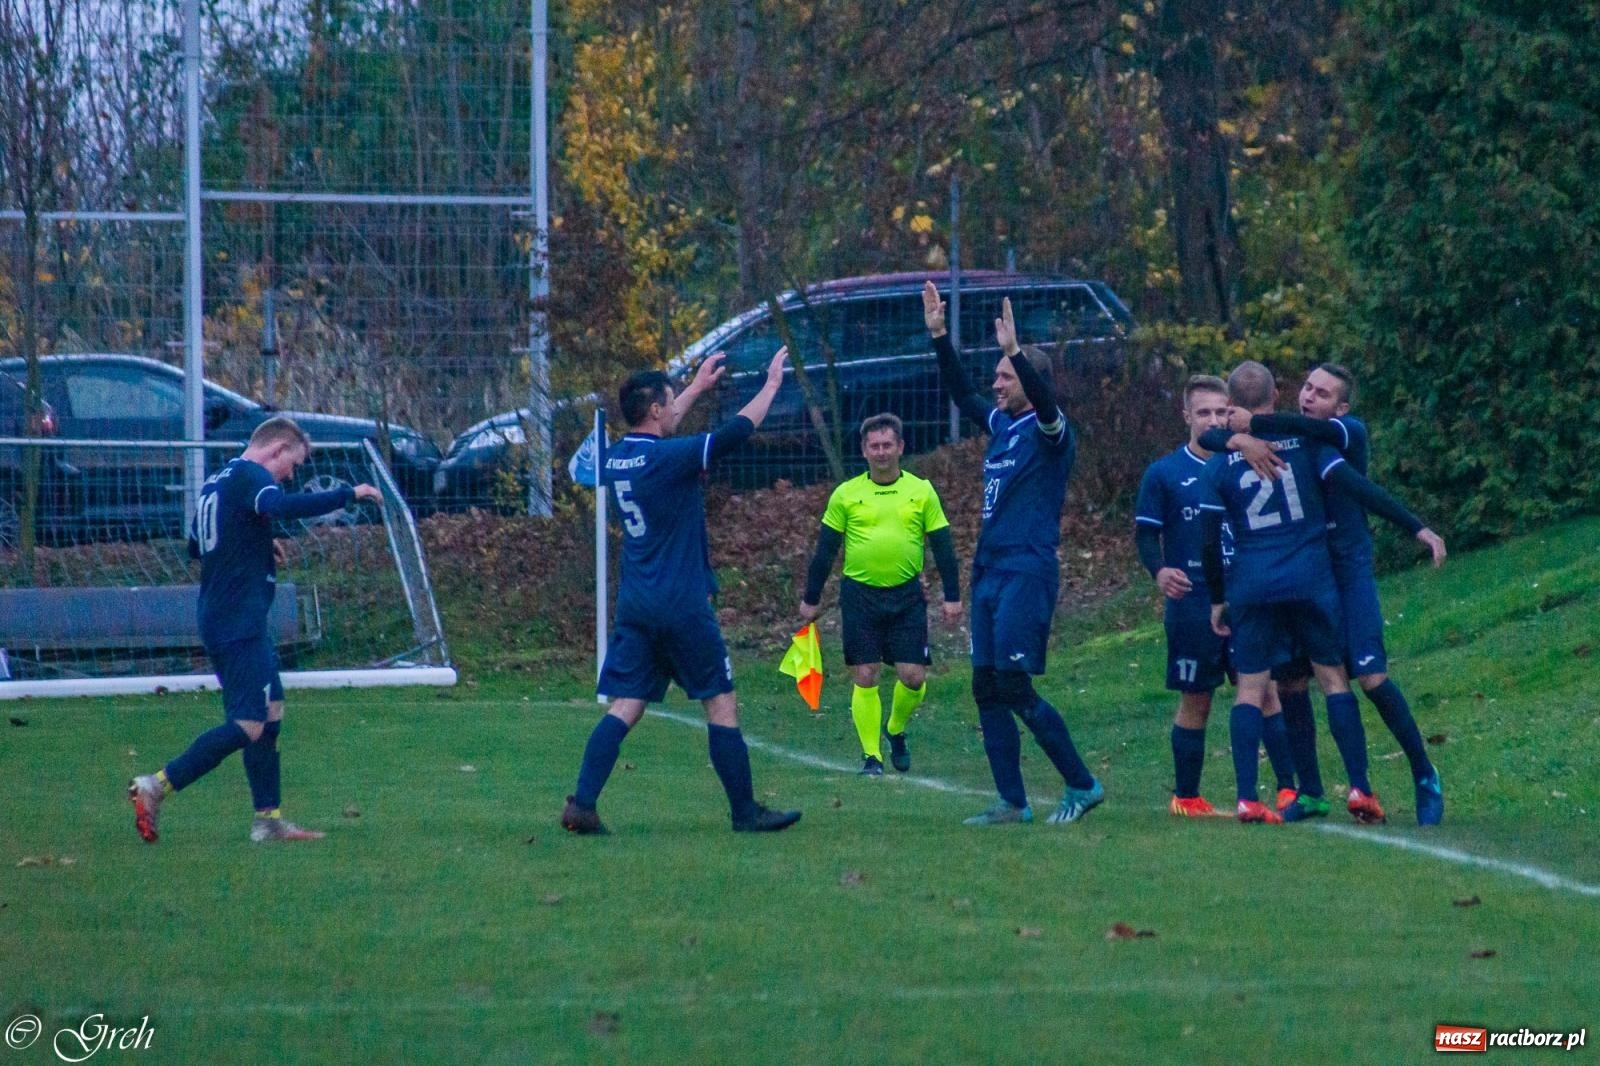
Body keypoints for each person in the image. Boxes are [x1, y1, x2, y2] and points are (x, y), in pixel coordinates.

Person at [560, 348, 802, 835]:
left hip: (637, 604)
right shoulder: (670, 459)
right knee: (721, 701)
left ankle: (582, 803)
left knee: (625, 706)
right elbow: (734, 434)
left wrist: (695, 388)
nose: (674, 410)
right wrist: (772, 386)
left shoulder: (619, 458)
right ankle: (744, 813)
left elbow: (662, 427)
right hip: (681, 604)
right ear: (655, 410)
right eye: (669, 403)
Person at [1199, 361, 1439, 824]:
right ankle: (1313, 791)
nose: (1310, 397)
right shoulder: (1300, 441)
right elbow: (1215, 437)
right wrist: (1241, 436)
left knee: (1368, 678)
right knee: (1293, 681)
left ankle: (1422, 772)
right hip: (1309, 573)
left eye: (1323, 394)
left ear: (1342, 407)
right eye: (1307, 387)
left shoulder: (1341, 433)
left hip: (1343, 573)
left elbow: (1360, 487)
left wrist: (1418, 528)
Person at [128, 416, 381, 843]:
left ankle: (269, 821)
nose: (291, 474)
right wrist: (348, 494)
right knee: (248, 723)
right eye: (293, 465)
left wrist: (258, 542)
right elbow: (278, 506)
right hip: (236, 621)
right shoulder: (250, 476)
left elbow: (198, 544)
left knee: (271, 711)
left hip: (227, 616)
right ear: (277, 450)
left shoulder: (219, 479)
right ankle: (156, 785)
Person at [921, 281, 1104, 826]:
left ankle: (1083, 783)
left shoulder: (1052, 431)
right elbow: (961, 395)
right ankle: (1012, 801)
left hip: (1027, 570)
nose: (997, 385)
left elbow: (1045, 404)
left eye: (1006, 378)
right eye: (999, 376)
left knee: (1015, 687)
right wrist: (938, 337)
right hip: (989, 572)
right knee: (986, 687)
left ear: (1030, 381)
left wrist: (1015, 352)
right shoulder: (1001, 424)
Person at [1135, 375, 1299, 817]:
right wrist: (1159, 570)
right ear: (1187, 416)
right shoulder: (1164, 473)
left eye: (1219, 411)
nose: (1212, 419)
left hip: (1246, 596)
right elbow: (1147, 535)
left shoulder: (1246, 461)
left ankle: (1287, 789)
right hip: (1192, 600)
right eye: (1202, 412)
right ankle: (1186, 797)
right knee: (1196, 697)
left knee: (1265, 689)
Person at [799, 412, 962, 775]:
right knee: (866, 673)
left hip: (906, 597)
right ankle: (871, 757)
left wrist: (953, 596)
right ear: (864, 450)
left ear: (901, 447)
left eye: (888, 444)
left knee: (913, 677)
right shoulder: (847, 494)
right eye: (875, 446)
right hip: (860, 597)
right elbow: (826, 550)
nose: (882, 452)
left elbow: (944, 548)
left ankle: (895, 729)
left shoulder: (921, 491)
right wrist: (810, 598)